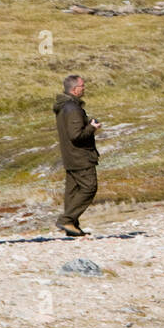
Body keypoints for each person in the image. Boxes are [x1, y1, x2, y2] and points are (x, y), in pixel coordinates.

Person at [54, 74, 101, 237]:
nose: (84, 88)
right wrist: (92, 128)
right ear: (74, 89)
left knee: (72, 191)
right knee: (89, 187)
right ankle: (66, 219)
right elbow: (76, 135)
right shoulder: (72, 108)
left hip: (70, 156)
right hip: (81, 157)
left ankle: (72, 226)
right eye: (82, 85)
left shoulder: (64, 107)